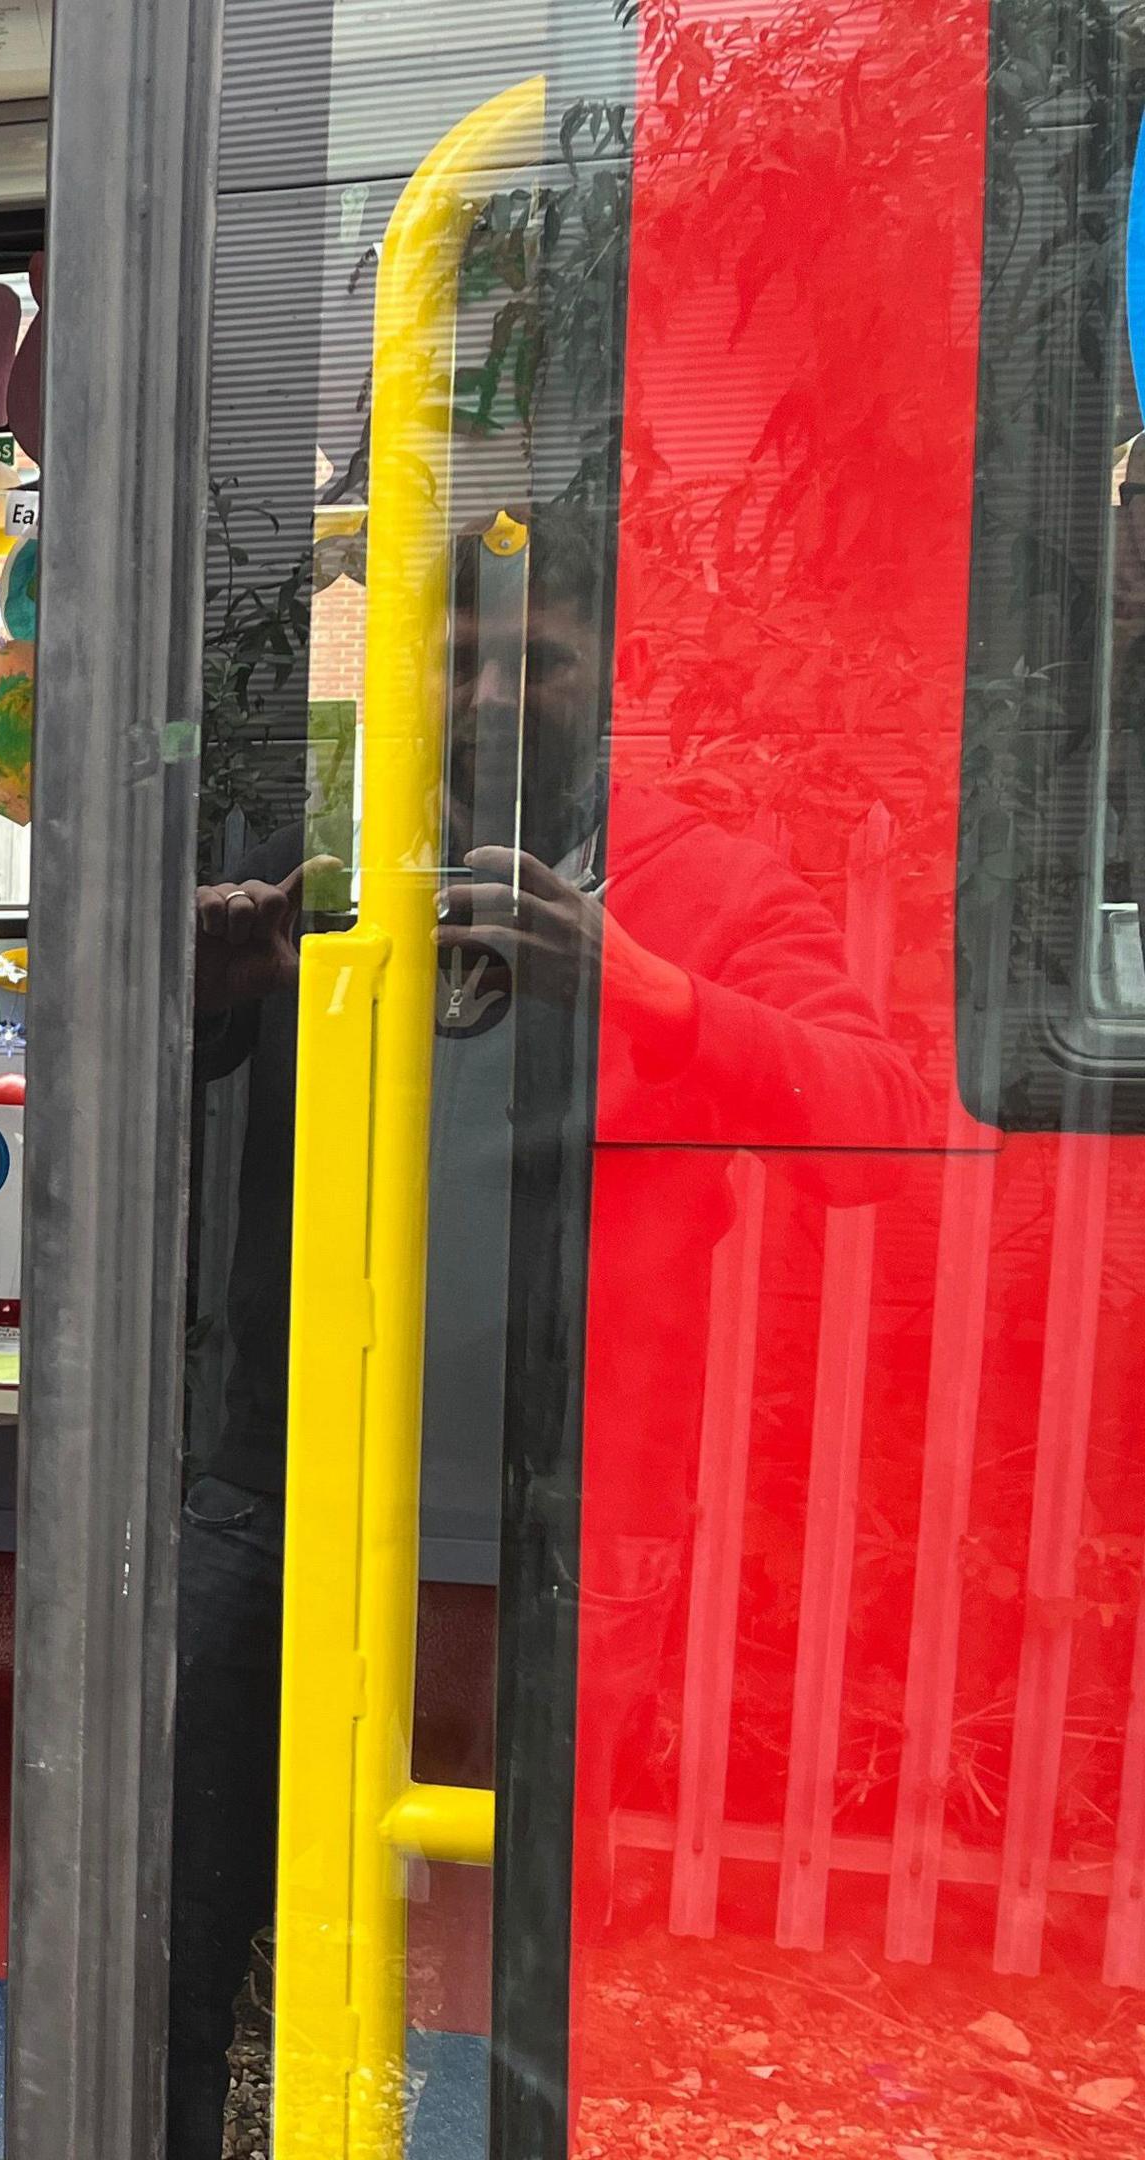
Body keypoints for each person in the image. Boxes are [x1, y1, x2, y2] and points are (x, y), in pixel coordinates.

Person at [164, 517, 929, 2158]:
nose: (499, 692)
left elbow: (881, 1132)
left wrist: (643, 987)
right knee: (189, 1896)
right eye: (466, 658)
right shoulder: (329, 866)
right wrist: (209, 991)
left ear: (610, 681)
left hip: (578, 1505)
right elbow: (112, 1129)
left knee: (553, 1948)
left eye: (543, 660)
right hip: (283, 1470)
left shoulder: (703, 883)